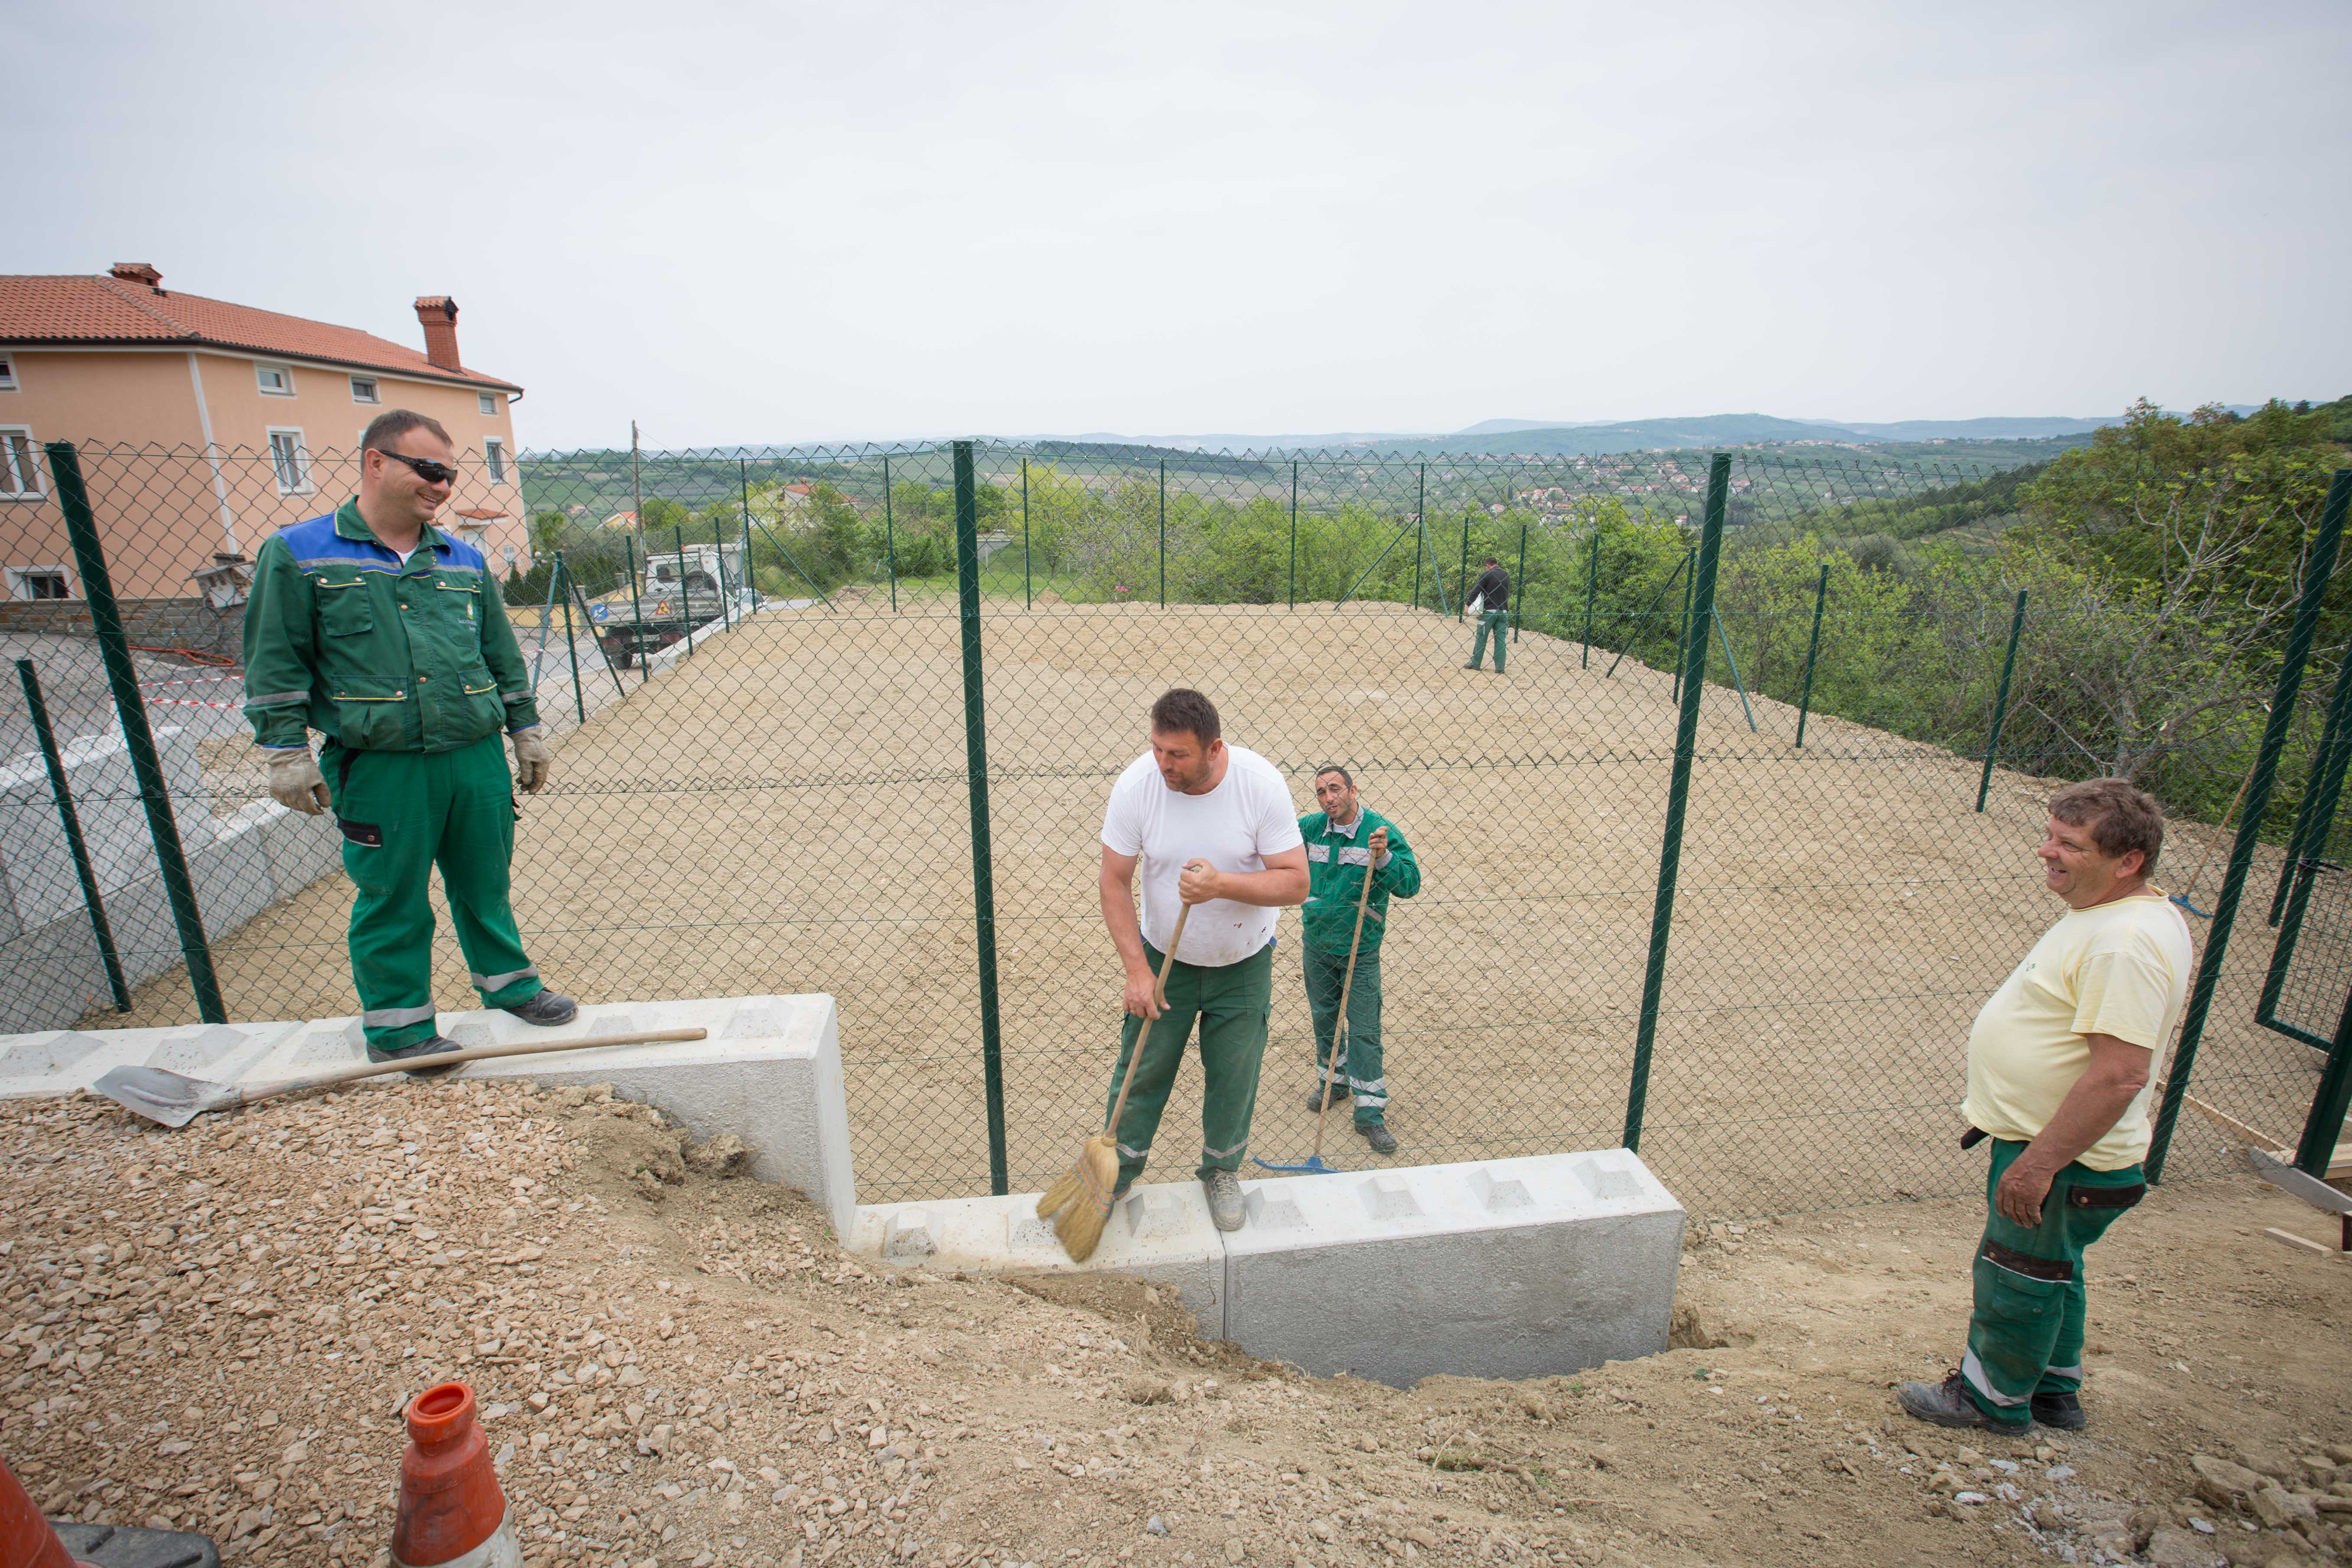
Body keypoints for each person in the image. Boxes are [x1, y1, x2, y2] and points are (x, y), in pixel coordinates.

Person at [241, 409, 576, 1073]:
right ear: (376, 462)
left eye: (448, 475)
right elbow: (274, 658)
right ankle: (399, 1029)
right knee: (392, 896)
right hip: (380, 765)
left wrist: (526, 732)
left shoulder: (462, 559)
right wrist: (285, 752)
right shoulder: (301, 554)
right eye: (428, 470)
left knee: (485, 882)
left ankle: (510, 986)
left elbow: (501, 653)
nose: (442, 486)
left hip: (474, 756)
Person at [1897, 778, 2192, 1434]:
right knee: (2054, 1267)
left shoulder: (2124, 943)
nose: (2047, 852)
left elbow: (2119, 1075)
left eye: (2070, 845)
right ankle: (2054, 1389)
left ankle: (1991, 1399)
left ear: (2128, 861)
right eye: (2051, 836)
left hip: (2063, 1157)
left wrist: (2037, 1164)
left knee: (2016, 1273)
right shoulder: (2112, 914)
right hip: (2058, 1150)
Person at [1099, 689, 1308, 1230]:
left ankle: (1220, 1169)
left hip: (1242, 963)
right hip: (1162, 960)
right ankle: (1116, 1171)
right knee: (1142, 1068)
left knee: (1234, 1074)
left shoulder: (1259, 785)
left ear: (1214, 748)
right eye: (1157, 748)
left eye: (1178, 754)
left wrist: (1221, 885)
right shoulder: (1137, 786)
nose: (1163, 764)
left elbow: (1296, 882)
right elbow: (1114, 880)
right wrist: (1136, 970)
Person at [1298, 765, 1420, 1155]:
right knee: (1324, 1017)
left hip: (1359, 948)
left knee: (1364, 1028)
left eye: (1335, 789)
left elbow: (1410, 885)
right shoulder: (1310, 829)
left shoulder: (1379, 832)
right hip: (1317, 942)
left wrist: (1383, 858)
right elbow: (1276, 853)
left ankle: (1370, 1112)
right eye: (1321, 792)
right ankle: (1333, 1083)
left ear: (1353, 791)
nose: (1328, 798)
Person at [1465, 556, 1510, 673]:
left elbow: (1477, 590)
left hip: (1489, 612)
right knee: (1501, 640)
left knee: (1482, 637)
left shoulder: (1487, 575)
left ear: (1488, 565)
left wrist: (1468, 604)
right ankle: (1500, 668)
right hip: (1504, 612)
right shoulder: (1506, 575)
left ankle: (1476, 663)